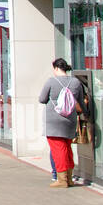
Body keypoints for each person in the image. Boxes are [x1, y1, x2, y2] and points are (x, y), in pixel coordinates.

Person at [39, 58, 86, 188]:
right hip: (70, 120)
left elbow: (42, 99)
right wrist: (86, 115)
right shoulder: (76, 82)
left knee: (58, 149)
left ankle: (62, 179)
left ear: (56, 68)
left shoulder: (51, 81)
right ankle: (69, 178)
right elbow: (81, 102)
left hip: (53, 121)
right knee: (67, 147)